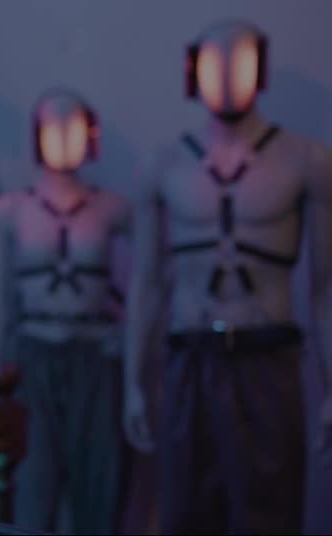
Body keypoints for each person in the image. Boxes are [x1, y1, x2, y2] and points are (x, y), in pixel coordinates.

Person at [123, 19, 332, 534]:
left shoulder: (305, 161)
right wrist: (133, 382)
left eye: (239, 62)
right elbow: (147, 285)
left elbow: (326, 288)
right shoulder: (163, 164)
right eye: (214, 64)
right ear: (193, 71)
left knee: (270, 513)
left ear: (260, 68)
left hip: (267, 358)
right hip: (189, 357)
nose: (225, 77)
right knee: (185, 510)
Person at [0, 88, 128, 534]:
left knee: (99, 483)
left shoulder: (113, 209)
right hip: (32, 356)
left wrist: (131, 343)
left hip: (94, 355)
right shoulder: (10, 211)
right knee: (32, 483)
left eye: (73, 129)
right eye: (53, 128)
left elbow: (152, 282)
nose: (63, 138)